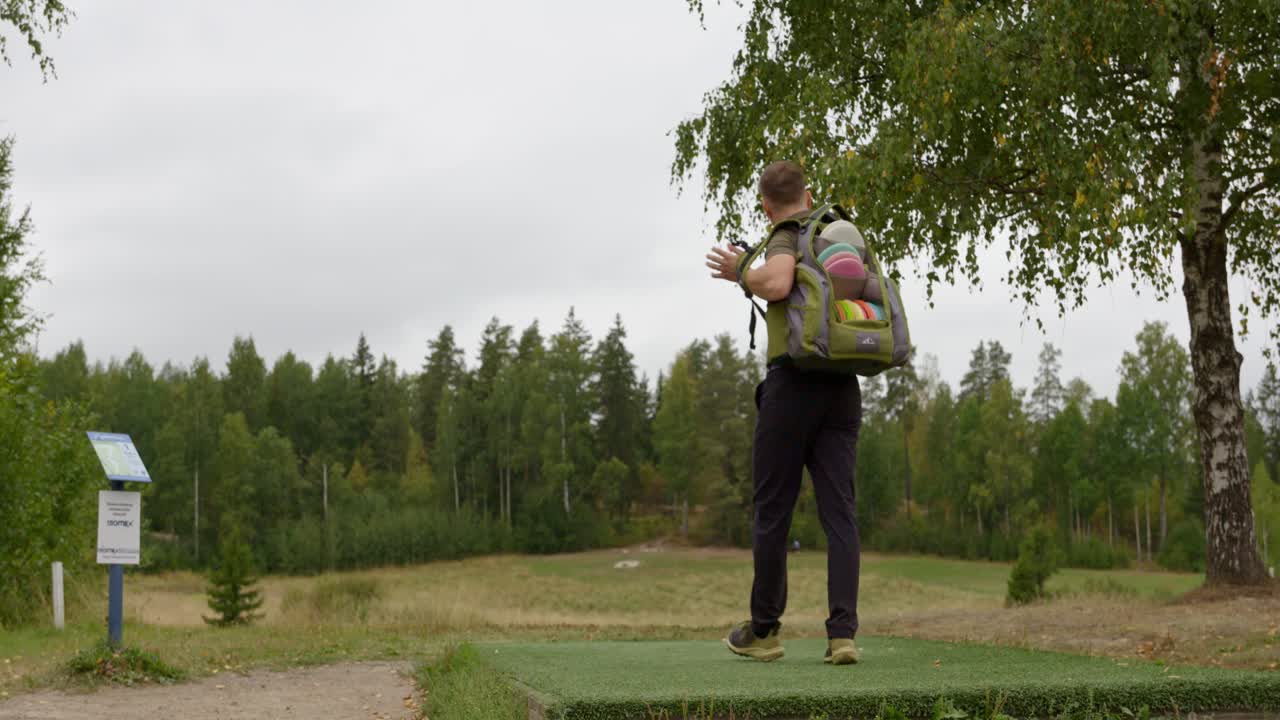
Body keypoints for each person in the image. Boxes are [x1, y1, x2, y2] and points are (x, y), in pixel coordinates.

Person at [704, 160, 863, 666]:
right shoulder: (836, 233)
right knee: (840, 512)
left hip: (793, 385)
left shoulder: (786, 235)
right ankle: (842, 635)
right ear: (809, 192)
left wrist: (738, 273)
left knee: (773, 510)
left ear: (766, 206)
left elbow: (775, 283)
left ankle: (766, 630)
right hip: (842, 384)